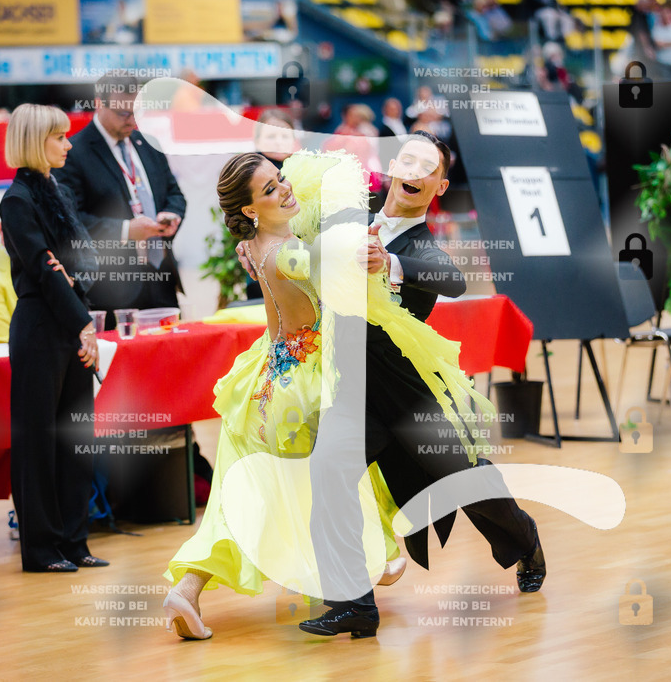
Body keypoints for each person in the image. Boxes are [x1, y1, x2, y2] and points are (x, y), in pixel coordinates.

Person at [296, 132, 544, 637]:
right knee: (328, 476)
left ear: (439, 186)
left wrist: (390, 263)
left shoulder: (422, 247)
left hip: (410, 396)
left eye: (426, 167)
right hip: (356, 391)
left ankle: (526, 538)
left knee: (470, 486)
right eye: (406, 159)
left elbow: (451, 279)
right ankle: (354, 605)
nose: (413, 171)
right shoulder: (350, 218)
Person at [162, 152, 406, 640]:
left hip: (267, 377)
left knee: (267, 491)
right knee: (326, 481)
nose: (285, 190)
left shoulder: (253, 247)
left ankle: (189, 589)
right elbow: (330, 269)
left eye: (280, 179)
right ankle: (364, 567)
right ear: (251, 210)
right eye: (270, 190)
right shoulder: (289, 254)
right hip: (304, 384)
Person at [0, 103, 106, 572]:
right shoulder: (17, 200)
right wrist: (83, 321)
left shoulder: (56, 193)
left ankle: (73, 539)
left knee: (74, 439)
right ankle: (41, 547)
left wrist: (83, 316)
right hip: (42, 326)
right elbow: (46, 270)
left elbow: (76, 263)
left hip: (68, 319)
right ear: (33, 141)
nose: (68, 144)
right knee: (39, 441)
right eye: (59, 137)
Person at [54, 73, 187, 320]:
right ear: (99, 104)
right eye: (123, 113)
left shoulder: (148, 143)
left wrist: (172, 214)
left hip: (162, 277)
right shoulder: (73, 153)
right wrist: (126, 230)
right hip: (113, 288)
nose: (132, 121)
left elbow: (174, 193)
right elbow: (71, 221)